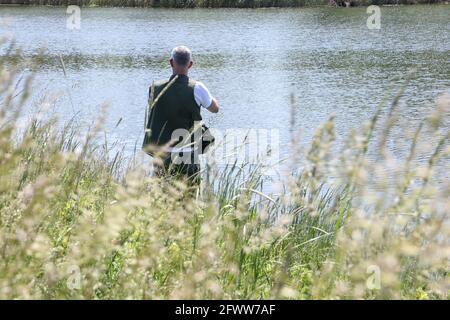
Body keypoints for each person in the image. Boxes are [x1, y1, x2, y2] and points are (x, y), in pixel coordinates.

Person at [143, 46, 219, 183]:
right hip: (187, 155)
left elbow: (153, 108)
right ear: (190, 64)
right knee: (189, 200)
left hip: (161, 155)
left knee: (160, 198)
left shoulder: (154, 88)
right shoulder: (198, 88)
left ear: (171, 63)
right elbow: (215, 109)